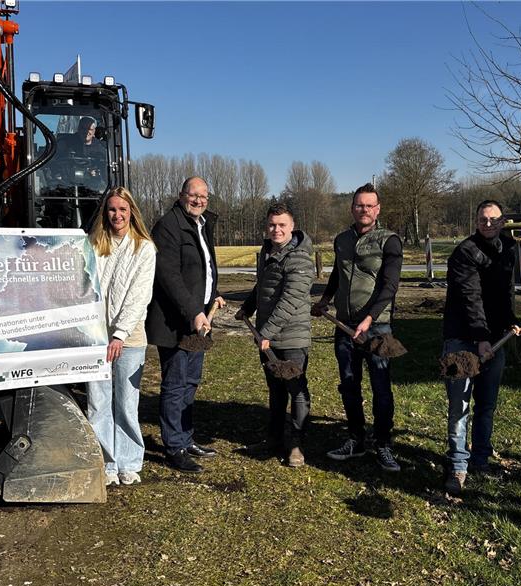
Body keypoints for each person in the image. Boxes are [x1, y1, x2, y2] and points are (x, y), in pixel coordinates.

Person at [313, 183, 403, 472]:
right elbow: (337, 276)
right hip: (344, 325)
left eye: (369, 205)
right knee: (349, 385)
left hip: (378, 328)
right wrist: (325, 301)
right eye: (359, 205)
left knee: (381, 387)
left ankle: (384, 444)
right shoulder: (341, 240)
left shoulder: (389, 241)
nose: (363, 210)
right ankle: (355, 439)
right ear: (352, 208)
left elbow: (389, 286)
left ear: (377, 209)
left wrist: (370, 319)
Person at [442, 200, 521, 495]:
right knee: (459, 406)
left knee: (486, 404)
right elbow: (470, 296)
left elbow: (506, 292)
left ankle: (480, 459)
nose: (488, 224)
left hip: (493, 338)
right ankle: (458, 466)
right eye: (482, 219)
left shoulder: (508, 249)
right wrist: (480, 338)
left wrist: (510, 320)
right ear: (476, 221)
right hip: (462, 338)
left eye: (494, 220)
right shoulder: (465, 252)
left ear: (503, 222)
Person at [146, 176, 225, 473]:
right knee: (176, 384)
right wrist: (193, 311)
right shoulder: (168, 226)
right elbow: (169, 277)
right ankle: (174, 446)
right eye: (193, 195)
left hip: (200, 319)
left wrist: (213, 293)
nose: (199, 200)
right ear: (181, 195)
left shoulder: (203, 224)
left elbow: (204, 267)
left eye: (203, 196)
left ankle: (186, 437)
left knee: (191, 382)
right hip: (177, 322)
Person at [85, 187, 156, 487]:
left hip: (130, 337)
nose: (117, 215)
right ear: (106, 213)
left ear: (132, 213)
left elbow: (140, 297)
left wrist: (120, 334)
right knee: (98, 402)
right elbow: (85, 288)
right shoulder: (93, 245)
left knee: (126, 402)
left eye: (123, 210)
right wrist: (95, 331)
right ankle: (106, 462)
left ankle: (128, 460)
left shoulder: (144, 248)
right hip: (97, 335)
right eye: (112, 209)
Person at [235, 203, 315, 467]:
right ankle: (275, 438)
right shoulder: (268, 251)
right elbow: (264, 285)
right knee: (275, 389)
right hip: (268, 337)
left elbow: (291, 298)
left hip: (292, 337)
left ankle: (296, 444)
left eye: (282, 225)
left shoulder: (300, 257)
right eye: (272, 225)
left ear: (292, 227)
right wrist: (248, 306)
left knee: (297, 390)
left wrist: (265, 332)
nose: (276, 229)